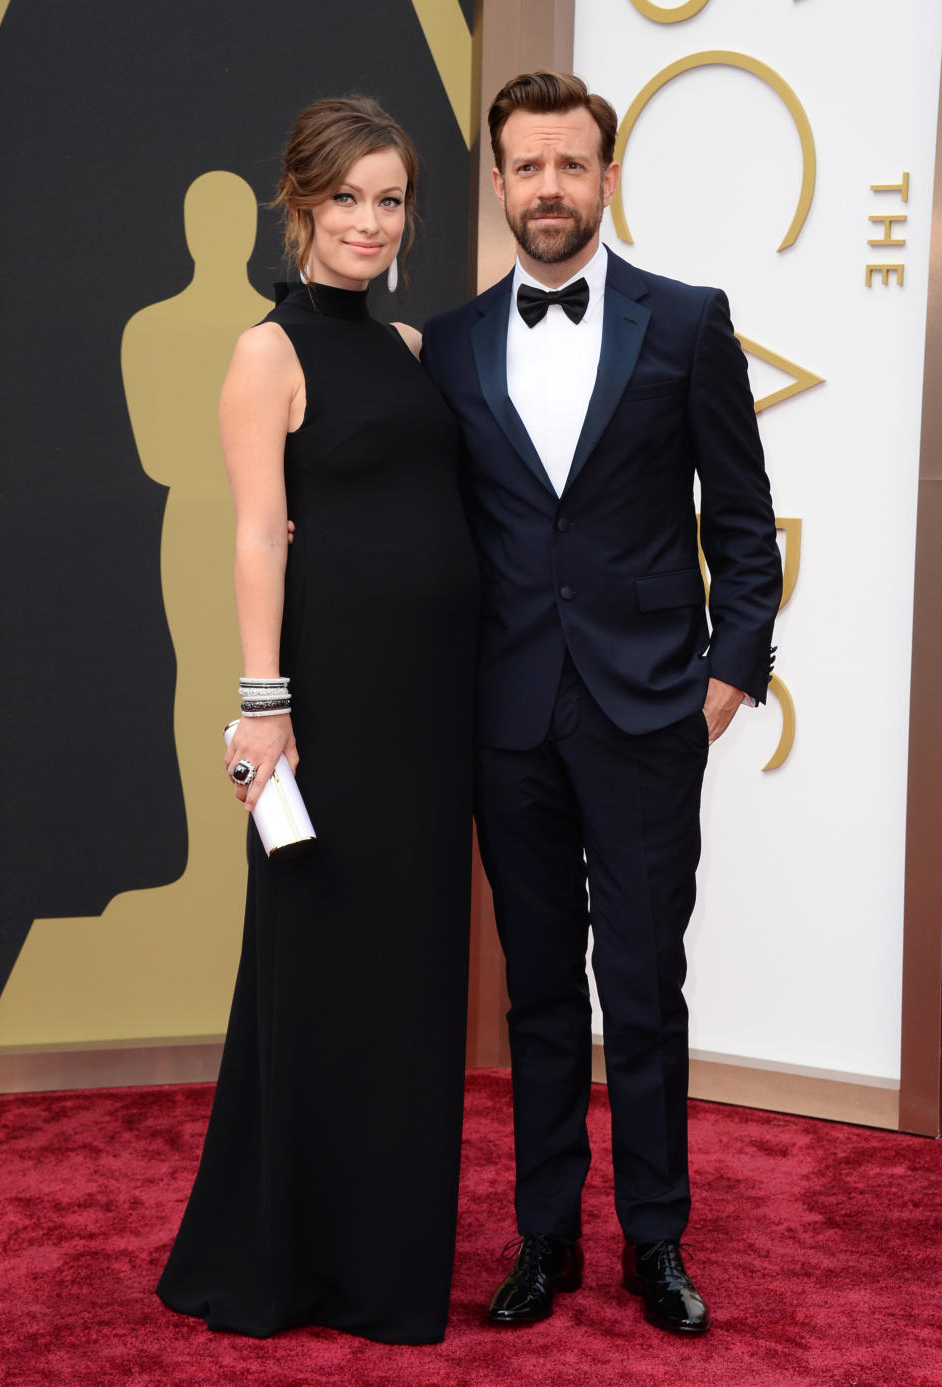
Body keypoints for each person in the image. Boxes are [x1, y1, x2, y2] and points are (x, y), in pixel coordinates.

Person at [423, 71, 783, 1336]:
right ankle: (545, 1236)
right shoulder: (454, 343)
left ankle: (657, 1239)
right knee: (534, 994)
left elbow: (742, 527)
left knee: (642, 987)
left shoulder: (685, 324)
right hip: (507, 719)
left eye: (571, 166)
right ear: (504, 181)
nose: (550, 189)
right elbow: (427, 524)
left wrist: (725, 685)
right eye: (527, 168)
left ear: (607, 177)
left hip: (647, 721)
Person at [157, 96, 479, 1344]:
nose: (368, 221)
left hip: (429, 708)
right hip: (330, 710)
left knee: (409, 986)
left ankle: (386, 1261)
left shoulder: (405, 347)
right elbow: (255, 531)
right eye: (346, 197)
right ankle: (291, 1259)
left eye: (390, 199)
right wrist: (264, 704)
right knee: (323, 976)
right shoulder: (265, 352)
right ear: (299, 204)